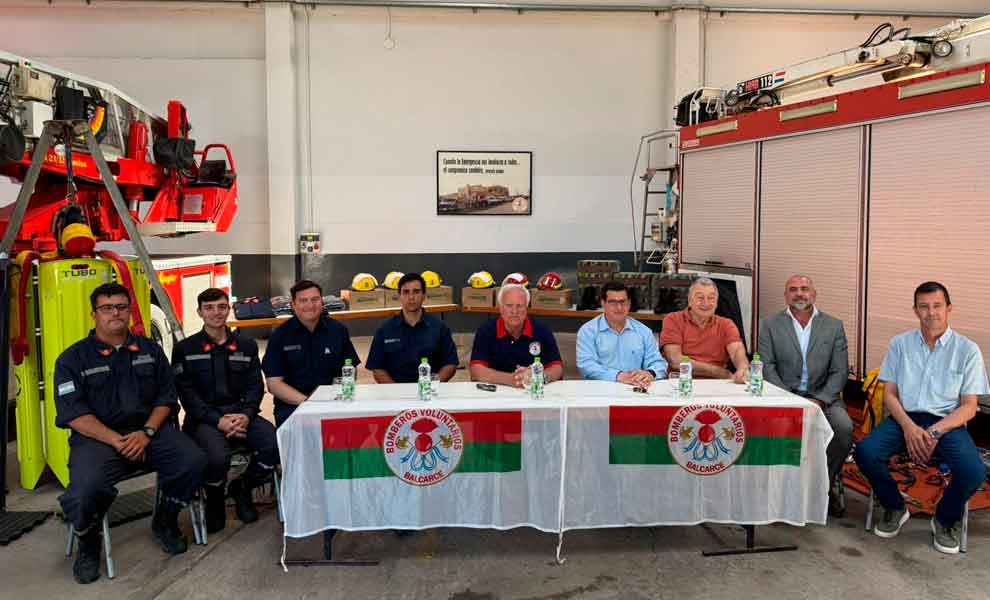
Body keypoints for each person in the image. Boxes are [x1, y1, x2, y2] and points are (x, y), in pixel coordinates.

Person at [55, 283, 206, 584]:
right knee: (83, 492)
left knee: (193, 461)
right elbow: (74, 414)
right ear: (94, 314)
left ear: (129, 311)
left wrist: (147, 432)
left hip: (150, 431)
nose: (115, 313)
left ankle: (165, 519)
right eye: (107, 308)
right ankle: (88, 543)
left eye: (121, 307)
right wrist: (116, 440)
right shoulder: (72, 359)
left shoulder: (150, 351)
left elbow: (166, 398)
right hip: (98, 440)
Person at [854, 281, 988, 554]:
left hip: (947, 423)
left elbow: (969, 407)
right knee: (865, 452)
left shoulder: (967, 350)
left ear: (949, 308)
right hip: (905, 418)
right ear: (915, 310)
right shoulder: (900, 344)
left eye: (937, 306)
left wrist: (934, 432)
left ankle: (944, 519)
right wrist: (908, 427)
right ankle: (894, 506)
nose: (931, 313)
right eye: (924, 307)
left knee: (973, 471)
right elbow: (890, 394)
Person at [172, 288, 278, 533]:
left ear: (228, 309)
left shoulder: (246, 345)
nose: (216, 313)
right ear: (199, 312)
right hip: (203, 420)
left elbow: (255, 386)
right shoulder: (185, 348)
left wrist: (247, 415)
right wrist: (218, 421)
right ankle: (215, 499)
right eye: (209, 308)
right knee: (216, 458)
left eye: (221, 307)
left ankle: (242, 488)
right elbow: (187, 395)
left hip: (241, 414)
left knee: (274, 444)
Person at [758, 274, 853, 515]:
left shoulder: (834, 326)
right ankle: (780, 490)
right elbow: (767, 366)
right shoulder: (769, 324)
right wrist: (789, 400)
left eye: (804, 289)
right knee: (765, 430)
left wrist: (819, 400)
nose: (799, 293)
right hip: (783, 397)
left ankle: (822, 487)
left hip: (824, 399)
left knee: (843, 430)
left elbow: (840, 371)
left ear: (814, 294)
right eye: (793, 289)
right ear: (785, 296)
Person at [262, 280, 360, 426]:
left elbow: (350, 369)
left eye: (315, 299)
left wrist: (337, 395)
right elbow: (274, 384)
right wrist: (309, 403)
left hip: (333, 401)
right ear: (293, 305)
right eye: (303, 301)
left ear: (322, 302)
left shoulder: (338, 330)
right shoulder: (280, 335)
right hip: (294, 405)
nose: (310, 305)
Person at [366, 272, 459, 383]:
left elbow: (450, 364)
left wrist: (431, 386)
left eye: (416, 292)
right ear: (399, 296)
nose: (411, 297)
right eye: (406, 292)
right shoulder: (385, 330)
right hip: (396, 390)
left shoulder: (440, 328)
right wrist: (395, 391)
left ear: (424, 295)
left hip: (430, 390)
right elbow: (377, 368)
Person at [470, 284, 564, 388]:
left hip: (532, 390)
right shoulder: (486, 330)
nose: (514, 311)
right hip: (497, 391)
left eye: (519, 306)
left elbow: (557, 368)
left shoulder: (542, 330)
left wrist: (539, 377)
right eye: (509, 305)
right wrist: (512, 379)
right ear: (500, 308)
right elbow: (476, 371)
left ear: (527, 308)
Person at [660, 277, 749, 382]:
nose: (706, 303)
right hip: (682, 383)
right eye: (700, 298)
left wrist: (742, 368)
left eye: (711, 298)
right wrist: (718, 372)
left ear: (716, 303)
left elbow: (736, 351)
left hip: (716, 384)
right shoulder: (673, 319)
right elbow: (675, 360)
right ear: (689, 301)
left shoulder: (726, 324)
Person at [576, 281, 666, 386]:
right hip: (600, 388)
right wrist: (618, 376)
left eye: (622, 302)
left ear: (629, 303)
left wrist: (650, 373)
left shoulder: (644, 331)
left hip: (635, 387)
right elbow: (586, 365)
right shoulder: (588, 331)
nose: (619, 307)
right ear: (603, 303)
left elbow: (658, 363)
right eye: (613, 302)